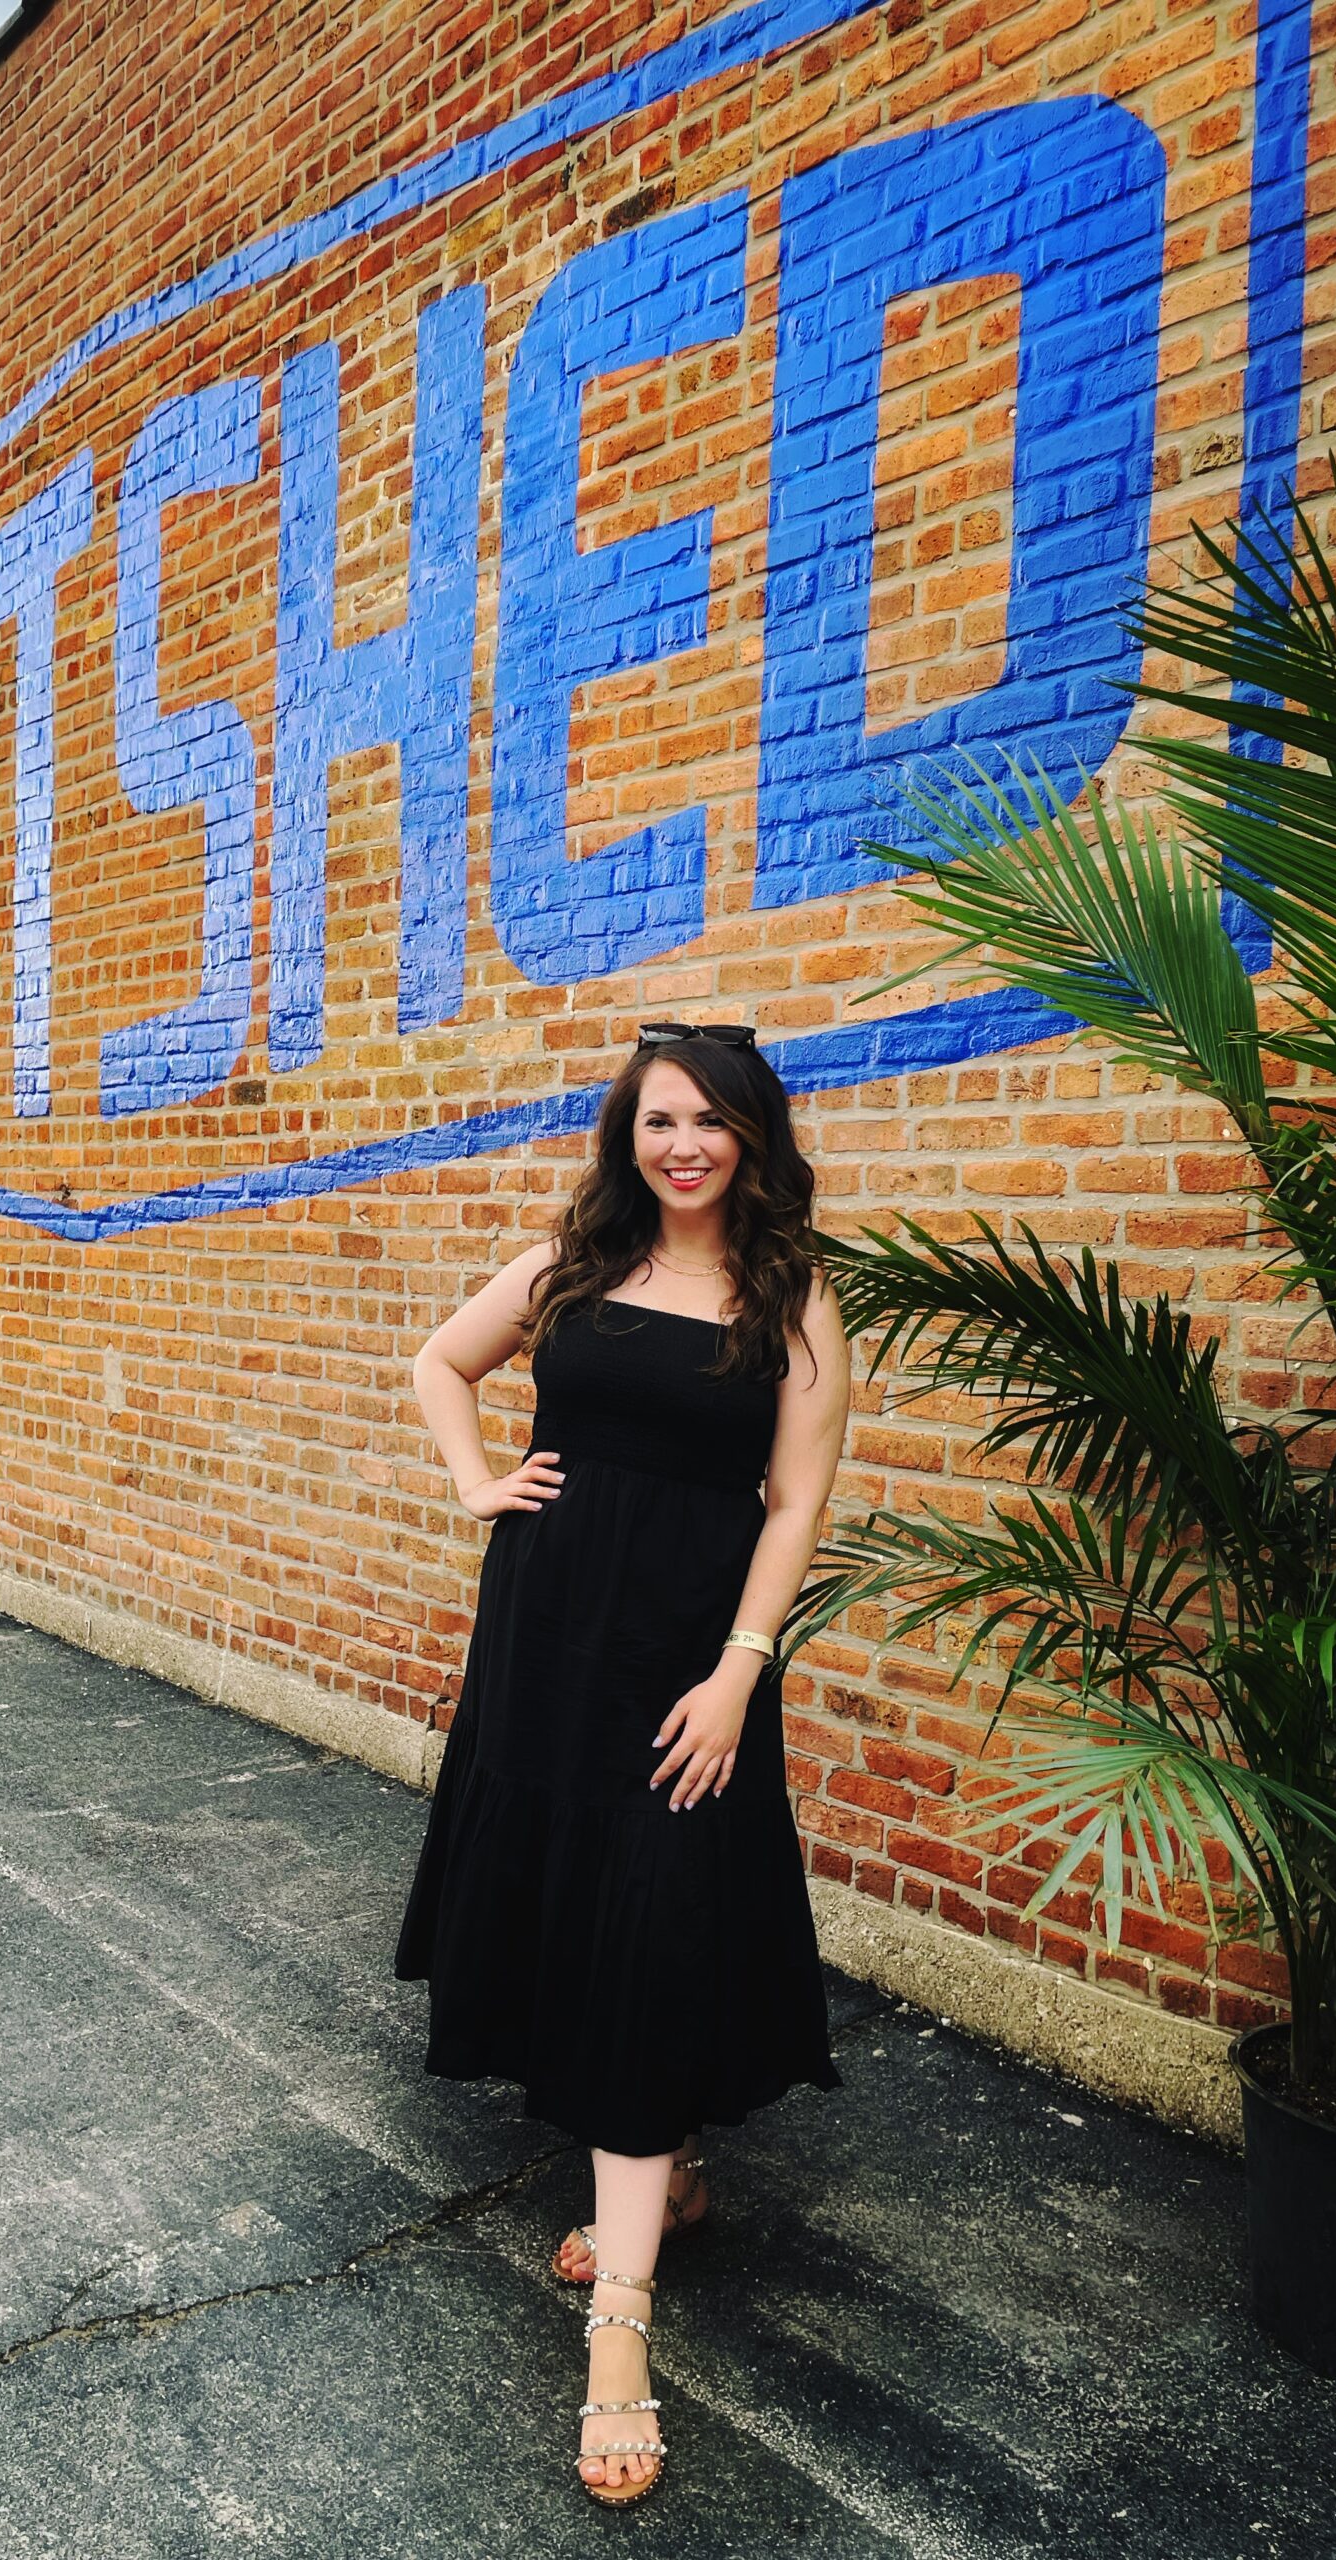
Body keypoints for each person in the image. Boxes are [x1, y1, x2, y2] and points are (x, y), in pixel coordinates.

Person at [393, 1019, 853, 2505]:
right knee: (581, 1906)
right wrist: (477, 1483)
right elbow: (442, 1362)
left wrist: (739, 1673)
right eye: (661, 1120)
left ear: (753, 1138)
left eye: (713, 1122)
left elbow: (792, 1504)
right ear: (628, 1133)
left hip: (683, 1667)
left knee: (655, 1922)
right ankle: (660, 2173)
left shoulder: (791, 1295)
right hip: (546, 1641)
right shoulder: (577, 1262)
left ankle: (618, 2329)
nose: (684, 1146)